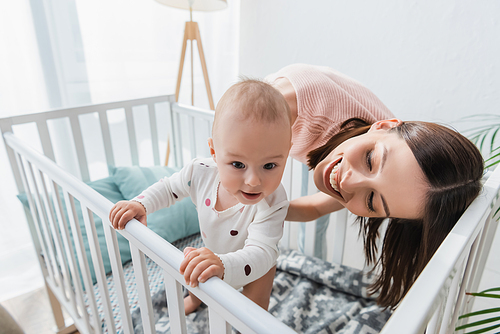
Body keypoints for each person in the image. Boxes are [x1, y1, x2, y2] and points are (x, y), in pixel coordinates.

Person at [267, 64, 484, 309]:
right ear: (382, 125)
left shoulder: (390, 175)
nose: (348, 183)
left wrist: (267, 210)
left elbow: (316, 208)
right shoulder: (294, 104)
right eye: (370, 160)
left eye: (372, 201)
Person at [109, 79, 292, 314]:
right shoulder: (200, 172)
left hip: (256, 266)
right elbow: (168, 188)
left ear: (287, 153)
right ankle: (195, 300)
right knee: (197, 268)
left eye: (269, 165)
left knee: (255, 313)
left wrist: (224, 265)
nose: (254, 181)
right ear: (214, 152)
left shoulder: (273, 201)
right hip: (212, 249)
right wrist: (140, 203)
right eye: (238, 164)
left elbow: (261, 251)